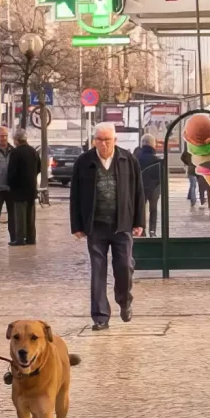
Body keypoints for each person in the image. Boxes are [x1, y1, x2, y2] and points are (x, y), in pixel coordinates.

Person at [70, 122, 145, 331]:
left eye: (107, 140)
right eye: (99, 140)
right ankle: (100, 316)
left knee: (124, 266)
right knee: (98, 270)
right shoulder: (84, 162)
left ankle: (124, 300)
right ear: (94, 140)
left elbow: (139, 191)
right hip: (96, 225)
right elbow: (74, 195)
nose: (103, 144)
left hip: (122, 224)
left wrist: (140, 221)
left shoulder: (128, 160)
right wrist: (76, 225)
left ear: (115, 140)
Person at [5, 127, 40, 246]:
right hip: (31, 187)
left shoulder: (15, 153)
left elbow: (11, 172)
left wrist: (10, 184)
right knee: (30, 215)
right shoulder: (33, 151)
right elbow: (39, 167)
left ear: (16, 140)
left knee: (20, 215)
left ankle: (20, 238)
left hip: (19, 189)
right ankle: (31, 238)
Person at [134, 134, 161, 237]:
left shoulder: (136, 159)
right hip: (154, 188)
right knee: (153, 210)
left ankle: (142, 230)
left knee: (141, 210)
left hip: (140, 188)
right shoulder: (157, 159)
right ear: (153, 144)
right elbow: (160, 176)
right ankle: (152, 231)